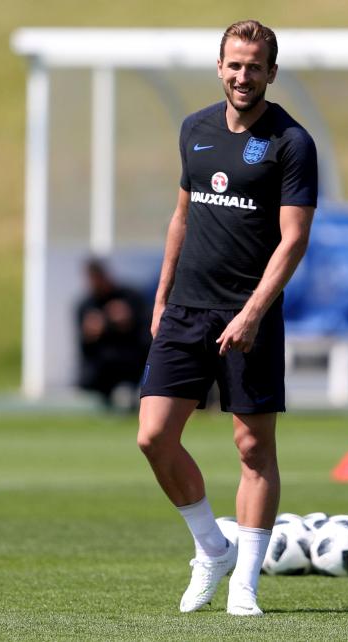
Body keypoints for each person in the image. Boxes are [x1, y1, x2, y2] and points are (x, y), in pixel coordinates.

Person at [136, 20, 317, 616]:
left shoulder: (292, 142)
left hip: (250, 314)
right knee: (154, 436)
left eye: (255, 66)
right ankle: (211, 547)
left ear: (271, 72)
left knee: (252, 448)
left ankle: (245, 583)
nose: (244, 76)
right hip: (187, 307)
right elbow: (182, 217)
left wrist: (253, 313)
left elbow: (292, 241)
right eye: (234, 65)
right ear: (220, 67)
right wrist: (161, 298)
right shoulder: (195, 129)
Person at [75, 258, 150, 409]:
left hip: (132, 363)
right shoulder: (86, 305)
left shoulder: (130, 297)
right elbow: (83, 348)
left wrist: (129, 320)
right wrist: (91, 333)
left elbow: (147, 333)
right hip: (103, 370)